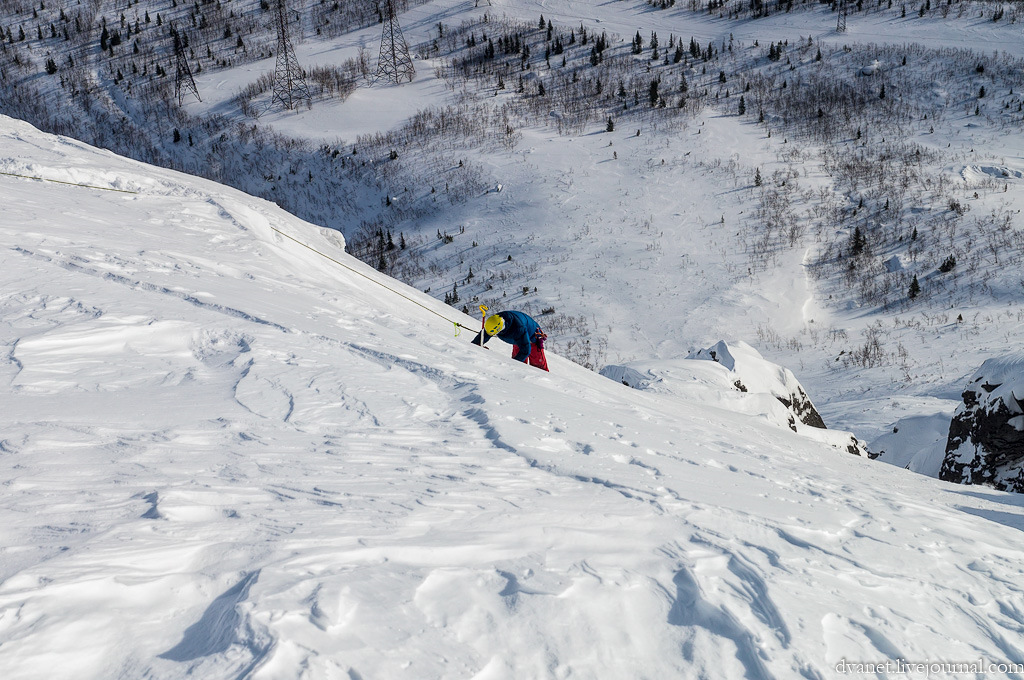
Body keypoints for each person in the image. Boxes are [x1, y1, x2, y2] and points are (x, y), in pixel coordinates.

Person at [472, 310, 549, 371]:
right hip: (518, 339)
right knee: (519, 365)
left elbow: (526, 350)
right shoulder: (494, 322)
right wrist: (474, 346)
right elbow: (485, 334)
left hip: (533, 338)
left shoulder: (518, 328)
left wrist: (512, 365)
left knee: (538, 367)